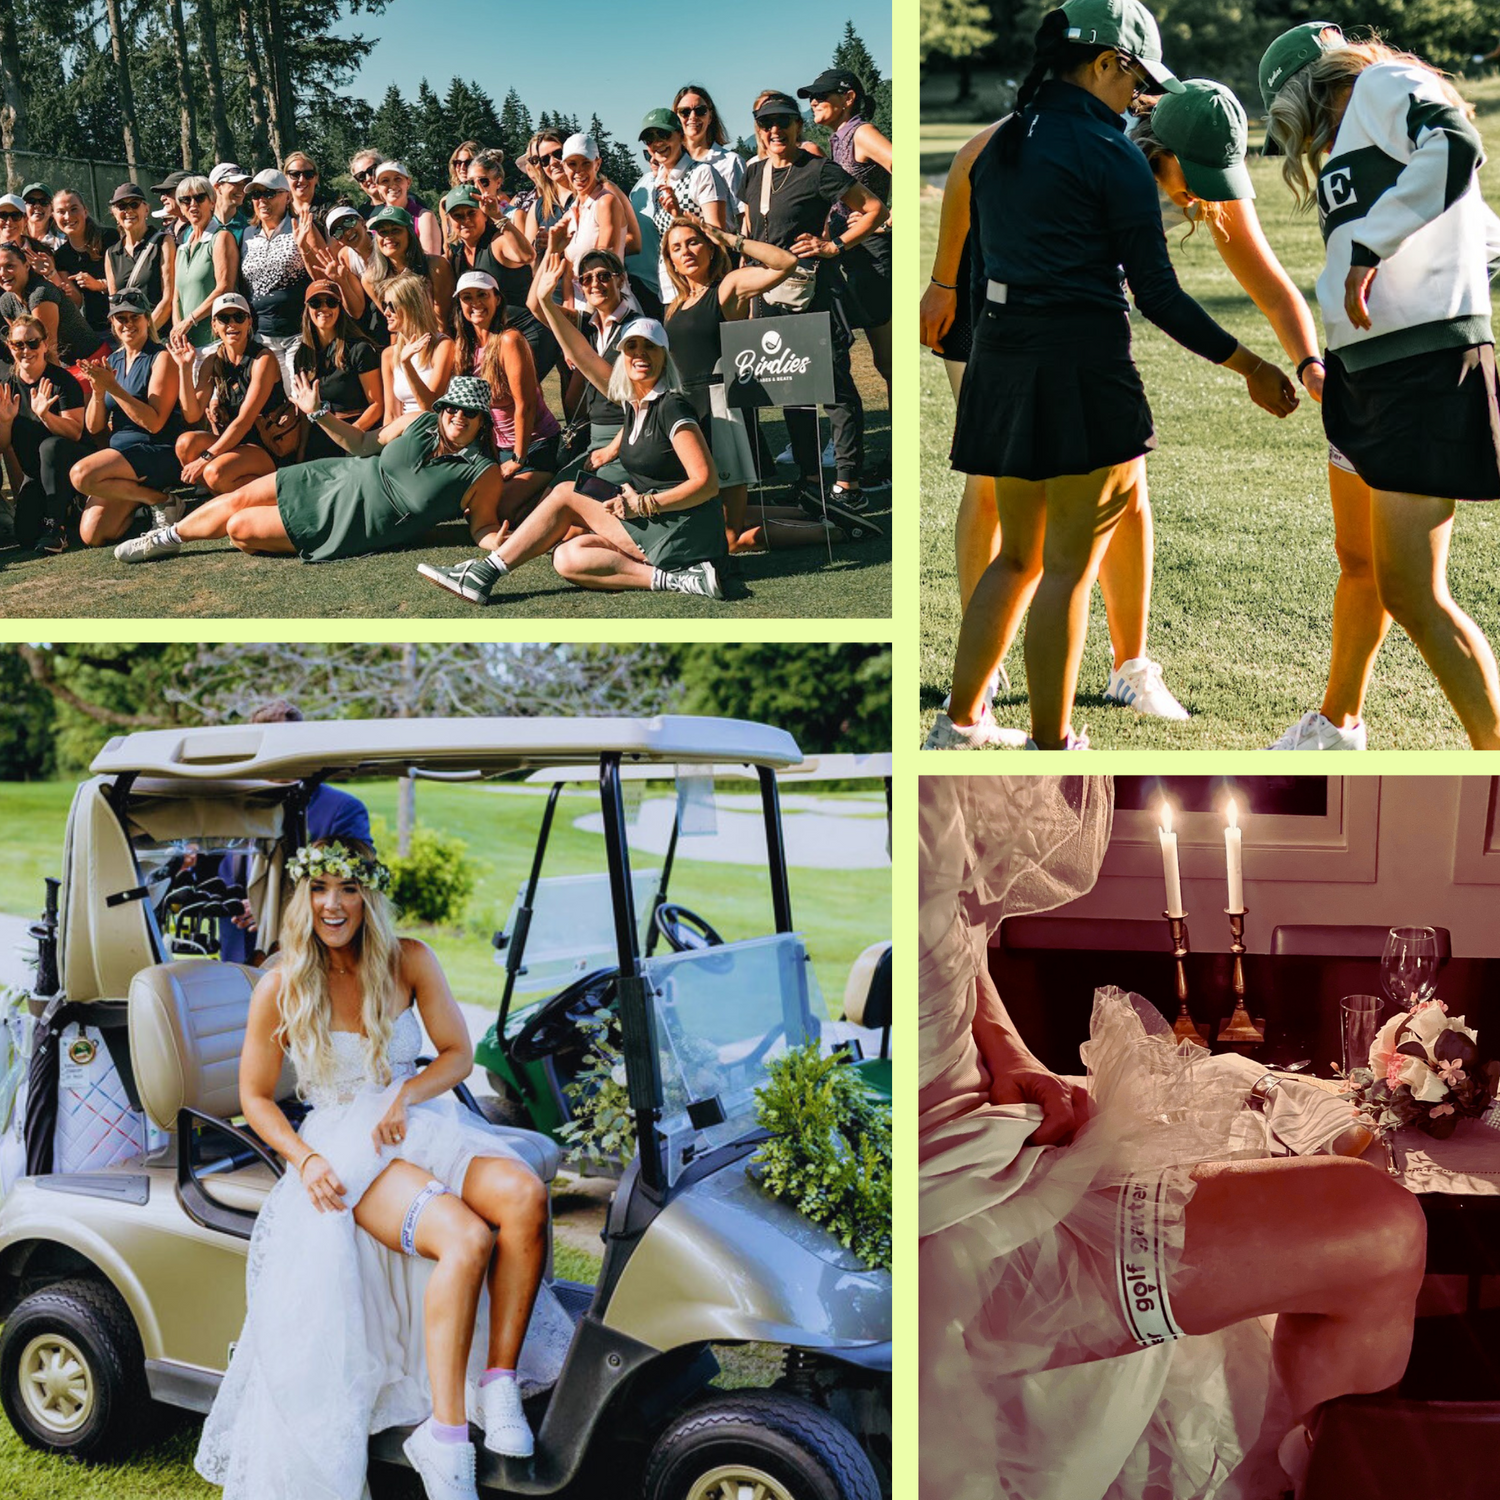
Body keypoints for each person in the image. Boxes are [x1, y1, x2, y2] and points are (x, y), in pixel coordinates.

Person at [917, 775, 1427, 1500]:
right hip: (937, 1205)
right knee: (1379, 1229)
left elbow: (957, 929)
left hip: (999, 1122)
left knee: (1274, 1131)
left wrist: (1008, 1049)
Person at [922, 0, 1297, 753]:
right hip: (1082, 367)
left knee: (1016, 557)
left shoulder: (997, 145)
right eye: (1136, 80)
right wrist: (1252, 365)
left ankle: (960, 726)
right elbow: (1158, 294)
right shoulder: (1112, 154)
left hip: (1000, 361)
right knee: (1067, 565)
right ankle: (1052, 743)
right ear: (1105, 63)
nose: (1140, 98)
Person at [194, 837, 571, 1500]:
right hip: (343, 1141)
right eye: (319, 889)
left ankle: (500, 1381)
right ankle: (445, 1437)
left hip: (418, 1120)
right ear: (301, 899)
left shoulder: (409, 961)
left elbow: (455, 1053)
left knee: (522, 1194)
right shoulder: (282, 983)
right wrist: (304, 1158)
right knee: (465, 1237)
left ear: (368, 896)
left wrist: (408, 1094)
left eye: (347, 889)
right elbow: (254, 1096)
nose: (333, 904)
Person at [1262, 23, 1500, 750]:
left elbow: (1458, 145)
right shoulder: (1364, 121)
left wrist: (1367, 246)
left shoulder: (1381, 84)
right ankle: (1337, 725)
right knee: (1362, 564)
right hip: (1367, 373)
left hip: (1417, 371)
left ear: (1314, 84)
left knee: (1415, 594)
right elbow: (1479, 231)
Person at [420, 256, 725, 603]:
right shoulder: (634, 404)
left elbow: (707, 484)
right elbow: (580, 351)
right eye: (631, 348)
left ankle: (484, 572)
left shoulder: (672, 406)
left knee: (564, 493)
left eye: (650, 348)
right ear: (621, 358)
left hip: (682, 529)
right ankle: (681, 581)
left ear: (665, 357)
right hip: (658, 524)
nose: (640, 355)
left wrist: (643, 503)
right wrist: (548, 301)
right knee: (568, 557)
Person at [115, 375, 503, 565]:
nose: (457, 416)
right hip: (336, 474)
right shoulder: (417, 421)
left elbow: (482, 524)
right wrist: (317, 413)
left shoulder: (481, 472)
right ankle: (164, 538)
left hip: (356, 519)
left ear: (482, 421)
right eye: (451, 407)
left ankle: (204, 532)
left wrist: (495, 543)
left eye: (469, 413)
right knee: (238, 497)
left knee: (239, 529)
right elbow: (363, 445)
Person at [661, 215, 872, 548]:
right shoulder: (674, 306)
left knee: (729, 539)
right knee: (712, 512)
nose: (686, 251)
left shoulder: (728, 287)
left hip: (722, 413)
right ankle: (807, 510)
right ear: (669, 259)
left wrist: (729, 238)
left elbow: (785, 263)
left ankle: (833, 531)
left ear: (710, 249)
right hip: (691, 414)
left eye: (693, 242)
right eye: (676, 247)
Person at [742, 91, 885, 517]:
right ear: (759, 130)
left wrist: (834, 245)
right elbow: (751, 233)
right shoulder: (753, 175)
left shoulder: (820, 170)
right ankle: (807, 480)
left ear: (797, 125)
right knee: (792, 391)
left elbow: (874, 207)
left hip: (815, 291)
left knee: (836, 389)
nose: (775, 129)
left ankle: (848, 484)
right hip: (769, 296)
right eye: (767, 123)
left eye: (783, 121)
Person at [800, 68, 893, 414]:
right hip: (852, 254)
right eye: (812, 96)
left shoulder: (862, 131)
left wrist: (891, 218)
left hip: (872, 255)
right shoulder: (839, 137)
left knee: (888, 363)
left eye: (822, 95)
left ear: (848, 97)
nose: (814, 102)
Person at [70, 287, 183, 545]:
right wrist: (99, 393)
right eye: (121, 318)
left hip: (154, 450)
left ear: (147, 319)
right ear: (112, 323)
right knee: (94, 535)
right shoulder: (114, 360)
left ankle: (159, 501)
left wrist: (113, 387)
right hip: (120, 458)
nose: (128, 324)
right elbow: (94, 427)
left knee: (81, 475)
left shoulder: (161, 357)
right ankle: (151, 500)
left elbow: (154, 424)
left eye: (134, 317)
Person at [451, 269, 559, 521]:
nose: (475, 303)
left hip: (534, 447)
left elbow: (526, 404)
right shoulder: (465, 346)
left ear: (497, 299)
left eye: (482, 295)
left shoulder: (509, 340)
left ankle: (552, 487)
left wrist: (518, 459)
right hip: (497, 449)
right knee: (470, 509)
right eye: (467, 297)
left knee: (495, 511)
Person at [169, 292, 303, 494]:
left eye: (238, 317)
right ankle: (226, 498)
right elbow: (192, 414)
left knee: (214, 472)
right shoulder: (212, 361)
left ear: (249, 322)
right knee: (185, 444)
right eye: (224, 318)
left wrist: (206, 457)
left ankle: (265, 499)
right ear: (214, 325)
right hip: (234, 444)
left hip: (266, 447)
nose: (232, 324)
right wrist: (185, 369)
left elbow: (245, 420)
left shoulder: (262, 359)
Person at [528, 246, 641, 472]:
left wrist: (613, 448)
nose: (595, 284)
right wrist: (553, 246)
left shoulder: (636, 329)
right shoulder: (586, 324)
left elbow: (642, 400)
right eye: (586, 279)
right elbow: (535, 306)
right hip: (592, 434)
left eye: (604, 276)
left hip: (625, 433)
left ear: (621, 280)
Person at [0, 312, 89, 553]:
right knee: (26, 537)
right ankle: (68, 511)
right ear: (10, 347)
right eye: (18, 344)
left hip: (71, 463)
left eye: (32, 343)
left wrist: (46, 416)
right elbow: (3, 445)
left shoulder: (62, 381)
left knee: (50, 446)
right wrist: (6, 421)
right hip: (36, 475)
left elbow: (75, 433)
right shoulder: (6, 386)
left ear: (44, 343)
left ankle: (56, 528)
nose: (26, 350)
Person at [445, 185, 554, 378]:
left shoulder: (497, 242)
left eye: (472, 213)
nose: (466, 220)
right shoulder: (457, 257)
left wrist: (498, 216)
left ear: (484, 215)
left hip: (530, 332)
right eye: (458, 216)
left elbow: (527, 255)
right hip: (498, 339)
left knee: (511, 394)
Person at [628, 108, 730, 307]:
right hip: (669, 290)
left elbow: (719, 234)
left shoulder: (702, 173)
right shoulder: (656, 183)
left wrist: (679, 214)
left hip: (704, 286)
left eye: (664, 135)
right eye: (649, 139)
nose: (657, 144)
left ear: (681, 136)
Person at [239, 169, 316, 391]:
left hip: (296, 333)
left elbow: (319, 275)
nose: (261, 200)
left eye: (269, 193)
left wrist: (304, 249)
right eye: (256, 195)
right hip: (260, 335)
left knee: (297, 395)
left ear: (287, 196)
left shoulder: (300, 227)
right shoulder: (247, 235)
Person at [293, 280, 382, 460]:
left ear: (340, 308)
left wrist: (350, 435)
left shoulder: (360, 349)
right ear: (307, 309)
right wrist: (301, 450)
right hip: (320, 433)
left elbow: (377, 404)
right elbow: (306, 413)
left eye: (331, 302)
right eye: (316, 303)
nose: (324, 308)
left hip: (355, 430)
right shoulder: (303, 355)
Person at [171, 175, 240, 368]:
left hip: (214, 343)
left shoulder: (221, 238)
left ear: (212, 202)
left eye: (199, 198)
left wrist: (189, 321)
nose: (192, 205)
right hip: (187, 348)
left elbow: (224, 287)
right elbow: (177, 295)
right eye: (185, 200)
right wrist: (179, 328)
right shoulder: (183, 246)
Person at [555, 135, 629, 311]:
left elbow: (605, 260)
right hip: (581, 306)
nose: (579, 171)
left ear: (597, 163)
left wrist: (588, 314)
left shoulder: (606, 202)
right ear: (564, 167)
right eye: (572, 164)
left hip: (609, 305)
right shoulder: (571, 212)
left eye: (585, 163)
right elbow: (567, 270)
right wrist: (570, 311)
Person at [0, 241, 98, 365]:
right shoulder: (6, 302)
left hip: (91, 363)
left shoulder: (41, 295)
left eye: (10, 266)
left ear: (26, 266)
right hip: (62, 366)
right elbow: (21, 347)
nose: (2, 273)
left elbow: (48, 352)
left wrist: (55, 383)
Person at [378, 269, 456, 421]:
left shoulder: (442, 346)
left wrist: (407, 364)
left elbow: (431, 407)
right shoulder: (389, 355)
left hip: (431, 428)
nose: (386, 312)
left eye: (392, 306)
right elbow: (391, 414)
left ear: (411, 306)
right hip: (402, 431)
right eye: (384, 305)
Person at [365, 205, 455, 333]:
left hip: (438, 338)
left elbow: (443, 322)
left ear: (410, 234)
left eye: (395, 230)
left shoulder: (436, 266)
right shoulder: (371, 279)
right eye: (383, 232)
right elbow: (395, 323)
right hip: (406, 342)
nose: (388, 237)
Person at [104, 181, 175, 334]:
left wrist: (145, 335)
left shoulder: (163, 242)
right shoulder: (111, 253)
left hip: (159, 336)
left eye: (134, 204)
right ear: (115, 214)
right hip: (129, 338)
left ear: (146, 209)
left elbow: (168, 299)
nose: (129, 210)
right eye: (122, 206)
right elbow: (114, 304)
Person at [50, 189, 117, 343]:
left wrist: (99, 284)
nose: (68, 216)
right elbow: (76, 301)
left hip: (123, 325)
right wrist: (51, 273)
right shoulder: (61, 256)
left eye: (74, 209)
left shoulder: (110, 238)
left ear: (85, 211)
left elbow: (128, 280)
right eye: (61, 212)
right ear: (53, 216)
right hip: (94, 333)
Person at [673, 83, 747, 213]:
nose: (693, 116)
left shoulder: (730, 162)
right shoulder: (672, 166)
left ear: (710, 116)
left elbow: (743, 216)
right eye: (685, 112)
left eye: (700, 110)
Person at [373, 161, 444, 256]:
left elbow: (432, 262)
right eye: (385, 181)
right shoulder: (374, 223)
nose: (393, 185)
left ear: (408, 182)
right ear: (378, 188)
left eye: (398, 179)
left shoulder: (424, 217)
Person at [210, 162, 253, 243]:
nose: (242, 189)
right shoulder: (201, 227)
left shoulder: (250, 229)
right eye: (235, 183)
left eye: (244, 184)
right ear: (217, 187)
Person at [21, 183, 62, 250]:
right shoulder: (15, 240)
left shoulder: (62, 242)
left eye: (44, 201)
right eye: (31, 201)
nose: (37, 205)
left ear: (52, 208)